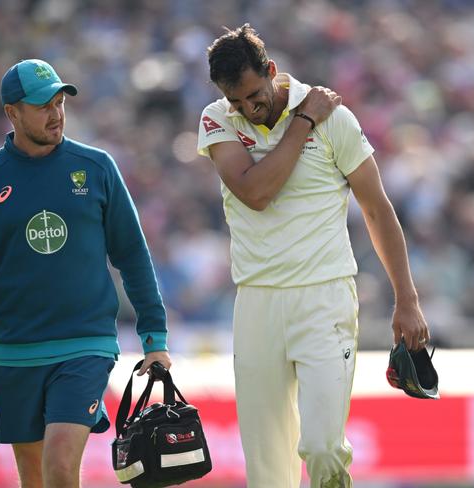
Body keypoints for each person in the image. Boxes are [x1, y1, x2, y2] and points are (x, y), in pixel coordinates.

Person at [197, 24, 428, 487]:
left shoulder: (336, 120)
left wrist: (407, 299)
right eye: (236, 102)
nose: (247, 109)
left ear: (272, 71)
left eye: (253, 95)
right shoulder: (217, 118)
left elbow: (378, 210)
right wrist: (303, 121)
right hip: (257, 301)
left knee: (323, 447)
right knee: (268, 471)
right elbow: (255, 192)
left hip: (324, 298)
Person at [0, 59, 172, 488]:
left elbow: (132, 255)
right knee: (34, 478)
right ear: (12, 112)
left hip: (84, 345)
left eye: (60, 102)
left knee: (60, 467)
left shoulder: (97, 167)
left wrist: (154, 339)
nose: (56, 113)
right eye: (43, 105)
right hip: (14, 350)